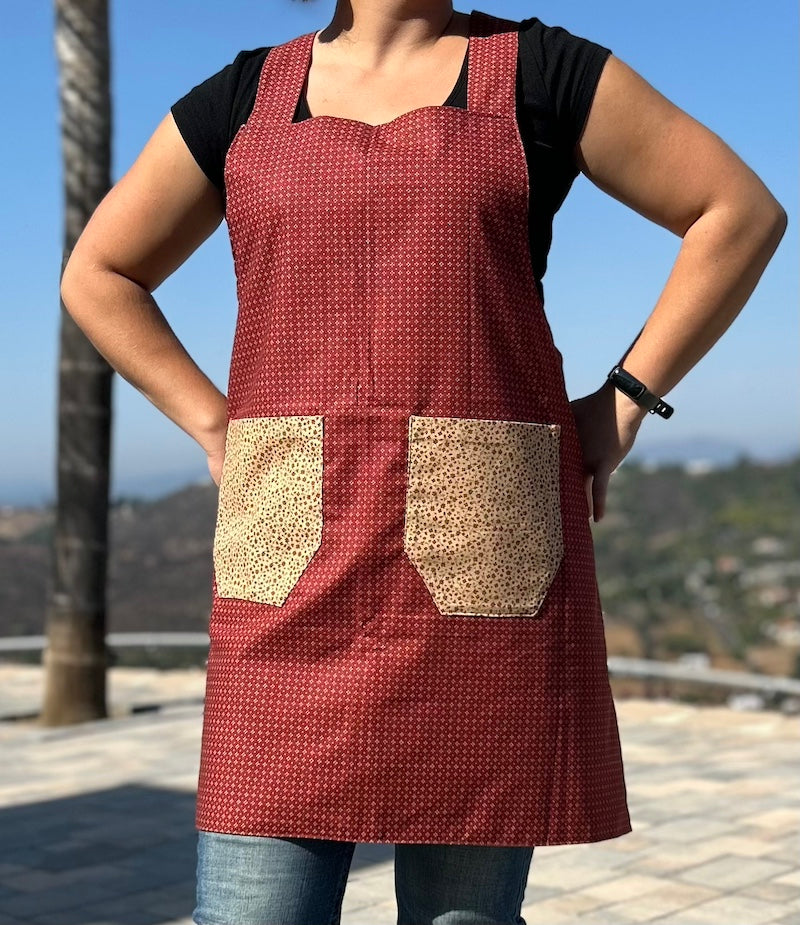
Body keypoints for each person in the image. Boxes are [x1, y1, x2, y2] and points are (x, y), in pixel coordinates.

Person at [60, 2, 786, 923]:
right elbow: (100, 272)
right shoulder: (241, 98)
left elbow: (739, 211)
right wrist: (215, 426)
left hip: (483, 560)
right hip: (288, 569)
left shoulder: (540, 71)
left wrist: (626, 398)